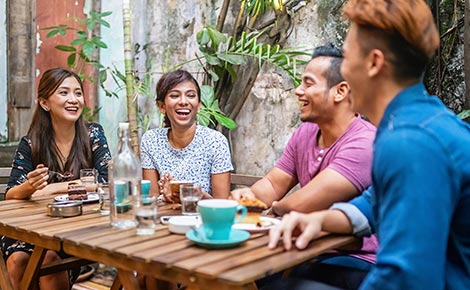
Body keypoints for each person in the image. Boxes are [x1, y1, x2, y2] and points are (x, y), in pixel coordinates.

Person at [269, 0, 470, 289]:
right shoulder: (417, 120)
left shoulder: (410, 142)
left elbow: (407, 278)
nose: (344, 72)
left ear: (374, 63)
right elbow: (375, 201)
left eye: (347, 58)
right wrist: (320, 220)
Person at [231, 44, 377, 286]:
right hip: (304, 252)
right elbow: (272, 184)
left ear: (340, 91)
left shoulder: (364, 142)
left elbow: (301, 205)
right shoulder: (306, 132)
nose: (298, 91)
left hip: (355, 260)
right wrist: (245, 197)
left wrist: (267, 208)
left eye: (308, 84)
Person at [1, 68, 111, 290]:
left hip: (72, 232)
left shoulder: (93, 134)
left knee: (49, 259)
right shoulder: (31, 143)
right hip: (32, 229)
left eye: (78, 93)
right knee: (18, 259)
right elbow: (12, 194)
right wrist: (30, 186)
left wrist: (47, 190)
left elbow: (106, 182)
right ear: (45, 103)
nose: (73, 99)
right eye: (64, 93)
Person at [140, 69, 233, 202]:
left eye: (190, 95)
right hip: (165, 219)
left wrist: (194, 195)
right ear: (162, 106)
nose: (183, 101)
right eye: (174, 95)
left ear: (199, 105)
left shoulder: (215, 142)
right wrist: (167, 196)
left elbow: (222, 206)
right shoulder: (151, 141)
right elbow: (151, 200)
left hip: (204, 219)